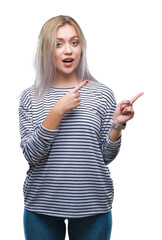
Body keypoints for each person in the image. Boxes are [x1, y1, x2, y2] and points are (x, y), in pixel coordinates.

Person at [19, 15, 143, 240]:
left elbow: (104, 156)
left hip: (93, 205)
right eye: (59, 44)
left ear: (81, 48)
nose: (68, 51)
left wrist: (117, 124)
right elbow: (31, 155)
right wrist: (57, 111)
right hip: (42, 205)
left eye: (74, 43)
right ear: (47, 49)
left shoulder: (102, 94)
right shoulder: (31, 97)